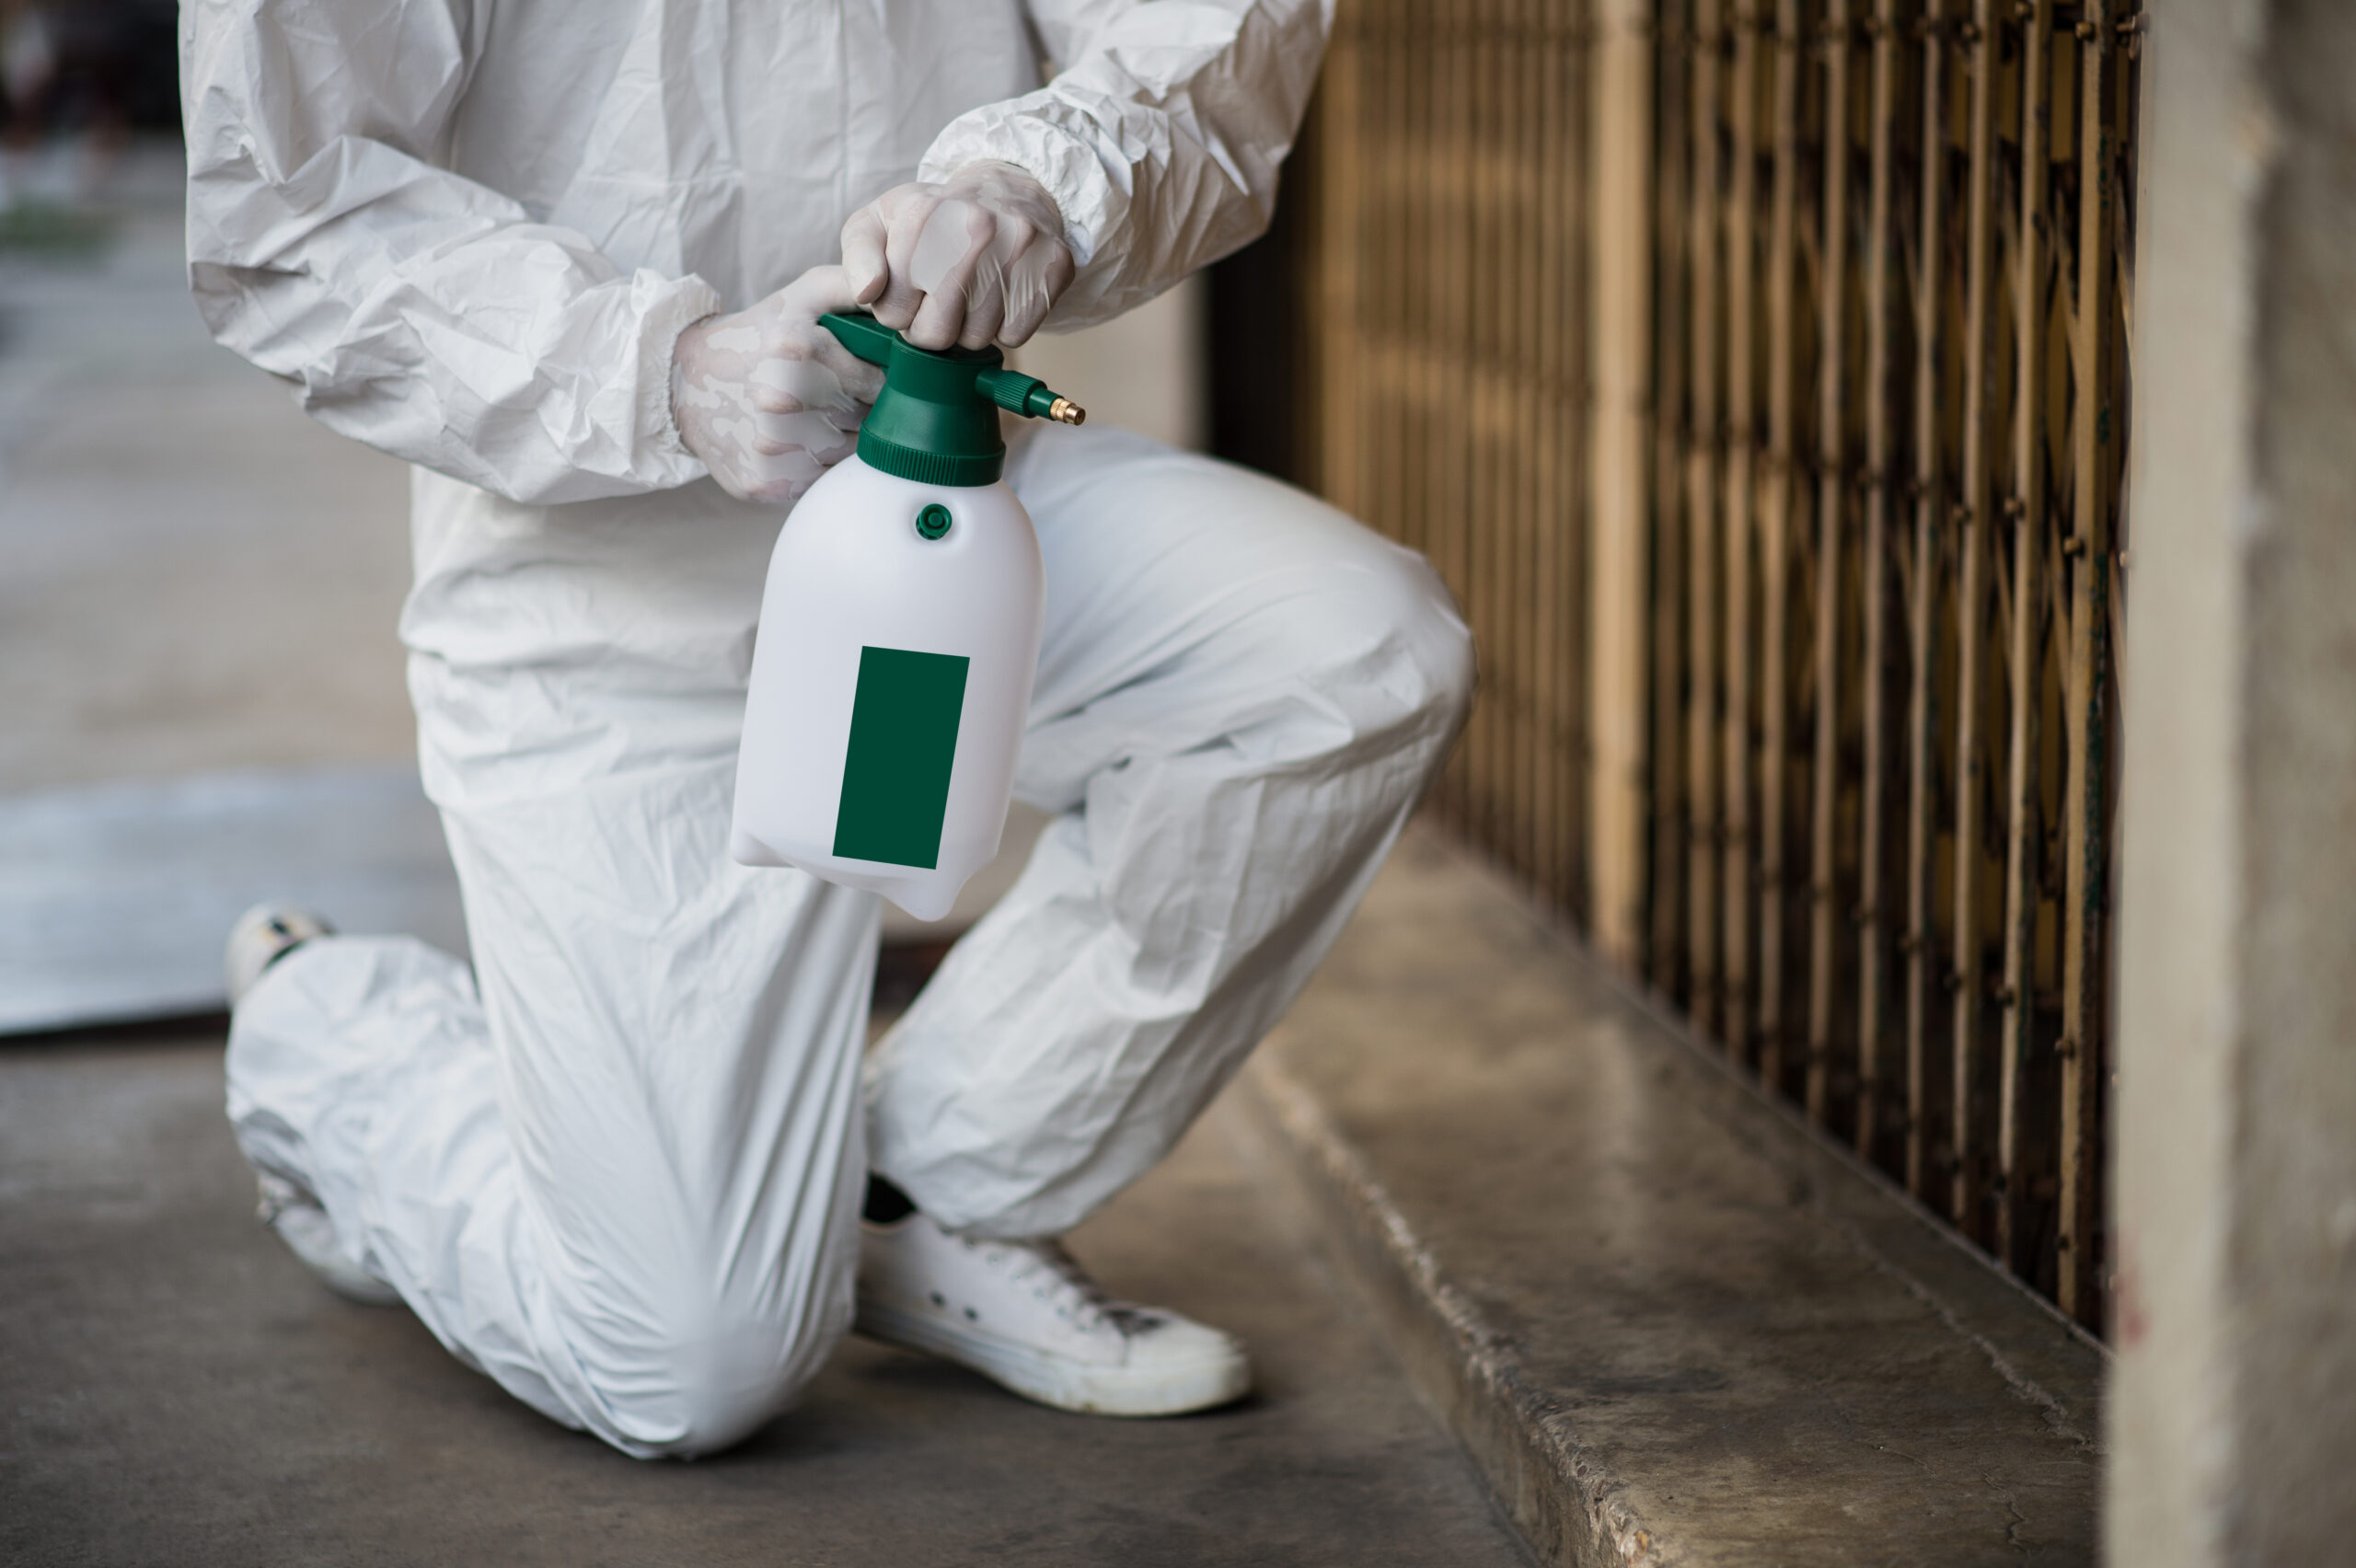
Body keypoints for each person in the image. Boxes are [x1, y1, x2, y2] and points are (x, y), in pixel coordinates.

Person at [187, 0, 1473, 1459]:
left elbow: (1209, 32)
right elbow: (284, 212)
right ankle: (326, 1037)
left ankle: (918, 1194)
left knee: (1345, 657)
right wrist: (662, 373)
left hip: (949, 505)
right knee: (690, 1359)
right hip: (602, 594)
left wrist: (1037, 183)